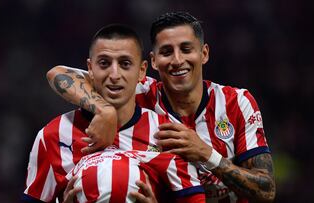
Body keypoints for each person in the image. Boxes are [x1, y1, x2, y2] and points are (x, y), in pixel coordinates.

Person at [47, 12, 276, 202]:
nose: (177, 60)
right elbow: (58, 74)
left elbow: (266, 191)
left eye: (186, 49)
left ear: (203, 53)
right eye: (166, 52)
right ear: (153, 61)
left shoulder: (236, 102)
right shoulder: (139, 91)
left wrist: (207, 155)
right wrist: (103, 109)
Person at [22, 24, 205, 203]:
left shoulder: (169, 136)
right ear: (90, 68)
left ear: (142, 71)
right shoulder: (53, 136)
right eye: (104, 63)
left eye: (125, 64)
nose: (114, 74)